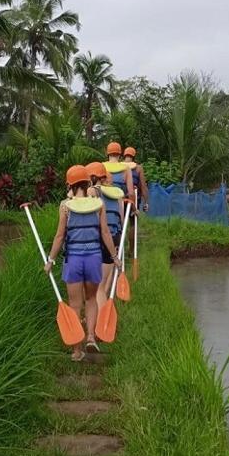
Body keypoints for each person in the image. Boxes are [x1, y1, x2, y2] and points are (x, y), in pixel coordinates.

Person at [44, 165, 120, 361]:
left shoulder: (65, 207)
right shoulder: (98, 205)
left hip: (74, 261)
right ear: (87, 183)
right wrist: (114, 257)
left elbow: (60, 236)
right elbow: (105, 233)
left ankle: (77, 351)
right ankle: (91, 338)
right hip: (94, 258)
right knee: (92, 299)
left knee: (75, 304)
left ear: (70, 184)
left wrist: (50, 260)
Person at [85, 161, 124, 311]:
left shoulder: (93, 191)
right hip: (114, 238)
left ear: (94, 177)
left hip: (99, 239)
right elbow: (120, 217)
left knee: (97, 290)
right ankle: (102, 318)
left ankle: (101, 325)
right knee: (102, 287)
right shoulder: (116, 193)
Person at [122, 146, 149, 212]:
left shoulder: (119, 166)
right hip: (134, 196)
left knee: (121, 220)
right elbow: (143, 186)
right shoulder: (138, 168)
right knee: (133, 217)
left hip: (121, 196)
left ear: (124, 156)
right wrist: (146, 202)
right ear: (133, 157)